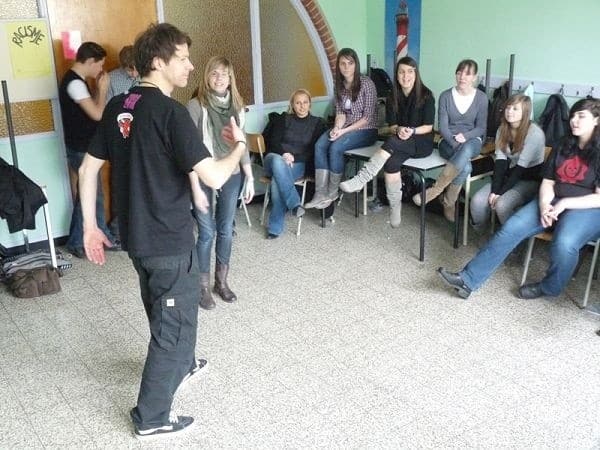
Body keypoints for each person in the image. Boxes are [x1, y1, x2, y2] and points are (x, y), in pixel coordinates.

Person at [78, 23, 248, 440]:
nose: (190, 66)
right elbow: (214, 175)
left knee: (172, 305)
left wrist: (91, 228)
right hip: (166, 239)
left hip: (137, 237)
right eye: (183, 59)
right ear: (158, 61)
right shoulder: (171, 113)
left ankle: (184, 364)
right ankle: (152, 416)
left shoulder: (120, 104)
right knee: (171, 324)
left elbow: (87, 169)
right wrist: (240, 147)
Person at [438, 98, 600, 301]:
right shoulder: (563, 144)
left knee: (565, 243)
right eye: (573, 116)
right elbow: (548, 181)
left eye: (581, 116)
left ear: (596, 120)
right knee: (511, 227)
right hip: (552, 199)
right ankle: (467, 280)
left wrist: (564, 204)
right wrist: (544, 205)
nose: (574, 120)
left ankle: (549, 288)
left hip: (587, 208)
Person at [186, 56, 254, 310]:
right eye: (214, 73)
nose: (219, 78)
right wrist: (194, 186)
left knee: (225, 229)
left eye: (224, 74)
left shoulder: (237, 106)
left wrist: (249, 176)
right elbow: (187, 149)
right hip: (204, 172)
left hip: (231, 172)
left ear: (230, 78)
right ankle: (202, 287)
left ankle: (221, 282)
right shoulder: (195, 105)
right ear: (206, 76)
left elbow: (241, 144)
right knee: (206, 232)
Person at [339, 56, 434, 227]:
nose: (406, 76)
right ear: (396, 75)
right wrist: (399, 130)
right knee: (391, 163)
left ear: (416, 74)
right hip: (401, 140)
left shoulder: (426, 95)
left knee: (392, 142)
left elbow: (428, 127)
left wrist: (411, 131)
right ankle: (395, 207)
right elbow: (392, 126)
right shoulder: (392, 96)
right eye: (401, 72)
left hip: (421, 142)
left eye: (410, 72)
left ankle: (362, 178)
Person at [59, 41, 118, 258]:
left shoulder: (77, 81)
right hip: (80, 148)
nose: (100, 70)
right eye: (100, 65)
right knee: (93, 194)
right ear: (91, 61)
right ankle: (88, 240)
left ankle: (83, 239)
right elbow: (97, 114)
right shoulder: (75, 84)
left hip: (80, 145)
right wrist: (102, 90)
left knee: (87, 194)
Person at [413, 59, 488, 222]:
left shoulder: (481, 98)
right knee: (465, 167)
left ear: (474, 77)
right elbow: (443, 127)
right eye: (459, 73)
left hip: (472, 141)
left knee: (467, 148)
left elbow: (481, 128)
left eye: (467, 74)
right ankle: (449, 202)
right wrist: (455, 143)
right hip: (448, 142)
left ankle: (435, 190)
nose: (462, 77)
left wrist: (465, 137)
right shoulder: (446, 96)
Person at [304, 48, 378, 209]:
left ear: (356, 64)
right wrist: (337, 127)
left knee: (336, 147)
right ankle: (320, 193)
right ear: (338, 65)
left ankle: (332, 192)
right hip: (345, 127)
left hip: (366, 130)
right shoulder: (339, 85)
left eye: (350, 63)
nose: (346, 67)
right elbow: (340, 112)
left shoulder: (367, 83)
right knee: (320, 145)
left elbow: (367, 118)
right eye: (342, 63)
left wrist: (343, 132)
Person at [470, 94, 545, 229]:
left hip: (529, 180)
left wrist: (500, 193)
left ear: (525, 112)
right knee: (477, 201)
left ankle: (511, 236)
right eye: (508, 108)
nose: (510, 111)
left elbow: (520, 169)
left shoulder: (535, 133)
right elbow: (500, 162)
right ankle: (481, 232)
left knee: (502, 205)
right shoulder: (502, 129)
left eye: (515, 109)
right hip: (509, 175)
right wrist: (494, 191)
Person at [262, 89, 327, 239]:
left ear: (310, 104)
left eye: (305, 102)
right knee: (278, 162)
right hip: (274, 158)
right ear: (292, 104)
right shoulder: (283, 119)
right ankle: (294, 203)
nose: (302, 106)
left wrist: (294, 158)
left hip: (298, 163)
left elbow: (312, 151)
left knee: (278, 181)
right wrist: (284, 155)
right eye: (298, 103)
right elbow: (273, 143)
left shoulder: (317, 123)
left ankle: (275, 228)